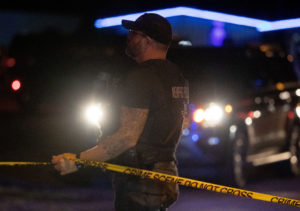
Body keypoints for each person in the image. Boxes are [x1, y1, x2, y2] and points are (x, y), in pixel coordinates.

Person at [52, 13, 189, 211]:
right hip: (165, 174)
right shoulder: (177, 76)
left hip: (140, 181)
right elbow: (180, 123)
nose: (128, 37)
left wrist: (78, 162)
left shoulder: (140, 78)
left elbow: (127, 137)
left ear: (147, 40)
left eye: (134, 33)